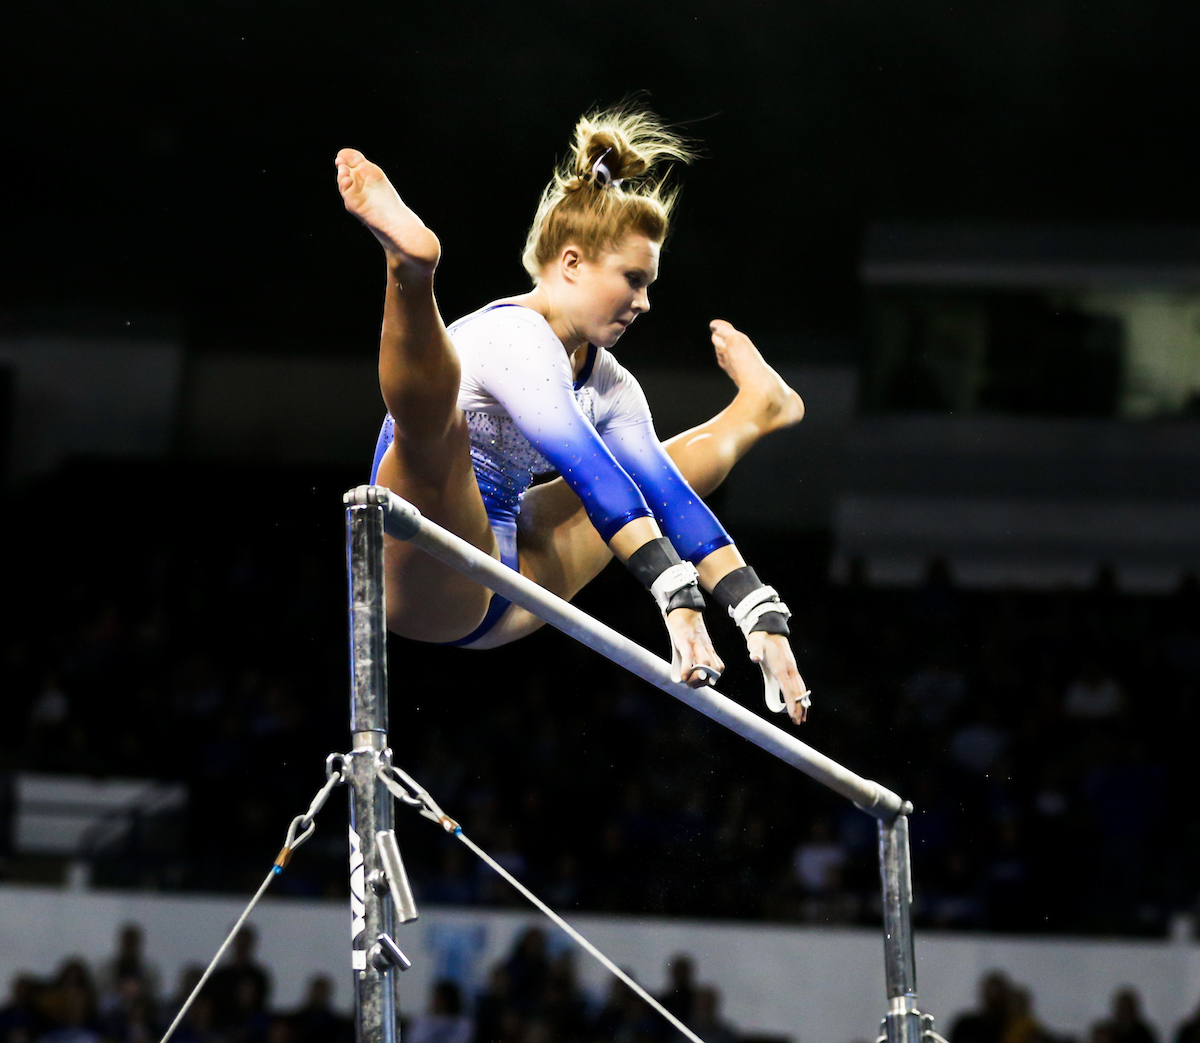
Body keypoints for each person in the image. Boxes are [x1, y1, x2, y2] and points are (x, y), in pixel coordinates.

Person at [335, 104, 811, 723]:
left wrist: (760, 615)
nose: (643, 303)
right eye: (633, 280)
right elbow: (582, 463)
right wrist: (675, 596)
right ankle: (410, 270)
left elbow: (660, 491)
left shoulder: (610, 383)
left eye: (649, 286)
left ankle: (757, 409)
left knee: (657, 468)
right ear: (571, 263)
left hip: (520, 583)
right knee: (433, 433)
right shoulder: (515, 336)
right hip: (431, 576)